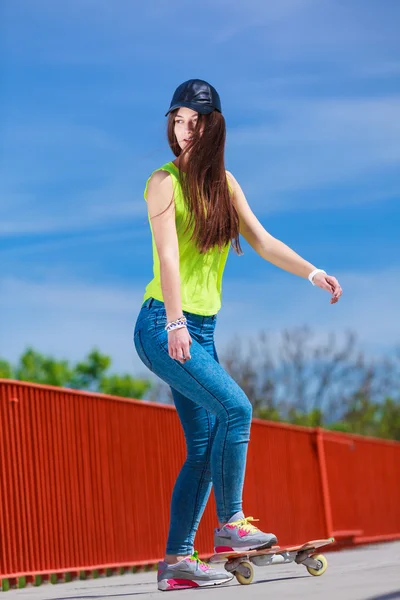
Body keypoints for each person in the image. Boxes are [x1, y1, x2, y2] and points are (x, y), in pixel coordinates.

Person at [133, 79, 343, 592]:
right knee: (238, 409)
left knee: (204, 447)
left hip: (200, 330)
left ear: (213, 126)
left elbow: (264, 241)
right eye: (177, 120)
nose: (184, 130)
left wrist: (312, 272)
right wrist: (178, 321)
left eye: (194, 121)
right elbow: (168, 258)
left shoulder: (225, 185)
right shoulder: (163, 182)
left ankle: (177, 562)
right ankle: (231, 525)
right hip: (164, 324)